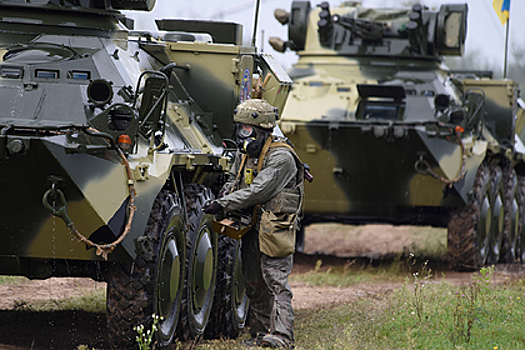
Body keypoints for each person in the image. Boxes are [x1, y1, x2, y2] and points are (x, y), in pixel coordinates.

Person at [203, 99, 304, 349]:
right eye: (240, 129)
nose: (242, 136)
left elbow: (257, 192)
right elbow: (233, 181)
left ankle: (282, 336)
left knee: (275, 281)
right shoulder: (246, 153)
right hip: (253, 226)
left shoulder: (282, 158)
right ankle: (260, 333)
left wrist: (223, 204)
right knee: (253, 282)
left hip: (276, 227)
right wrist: (224, 198)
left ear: (262, 130)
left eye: (247, 130)